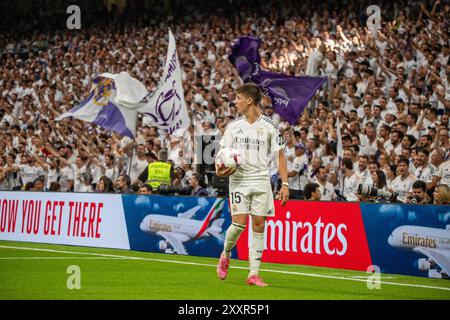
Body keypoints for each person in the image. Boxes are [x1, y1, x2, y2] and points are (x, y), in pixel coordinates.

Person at [215, 83, 289, 287]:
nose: (235, 102)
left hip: (261, 180)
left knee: (259, 223)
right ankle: (226, 253)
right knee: (238, 225)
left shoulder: (270, 126)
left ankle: (253, 274)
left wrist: (285, 184)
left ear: (249, 100)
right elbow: (221, 157)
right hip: (239, 180)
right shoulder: (233, 127)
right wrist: (220, 169)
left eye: (238, 98)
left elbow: (280, 156)